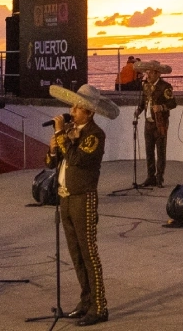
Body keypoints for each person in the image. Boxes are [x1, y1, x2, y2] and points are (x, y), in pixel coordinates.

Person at [46, 84, 118, 326]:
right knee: (75, 254)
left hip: (83, 198)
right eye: (73, 106)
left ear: (89, 112)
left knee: (89, 254)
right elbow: (51, 163)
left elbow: (77, 160)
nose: (72, 110)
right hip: (65, 197)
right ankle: (86, 300)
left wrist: (60, 136)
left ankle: (100, 306)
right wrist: (54, 146)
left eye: (78, 107)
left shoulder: (95, 135)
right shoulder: (69, 132)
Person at [133, 60, 176, 187]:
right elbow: (143, 101)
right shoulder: (145, 85)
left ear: (158, 73)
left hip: (160, 123)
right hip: (148, 122)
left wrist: (162, 107)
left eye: (151, 72)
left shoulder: (165, 87)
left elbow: (173, 103)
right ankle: (150, 176)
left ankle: (159, 178)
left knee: (161, 151)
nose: (148, 75)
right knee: (149, 150)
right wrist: (139, 110)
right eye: (148, 72)